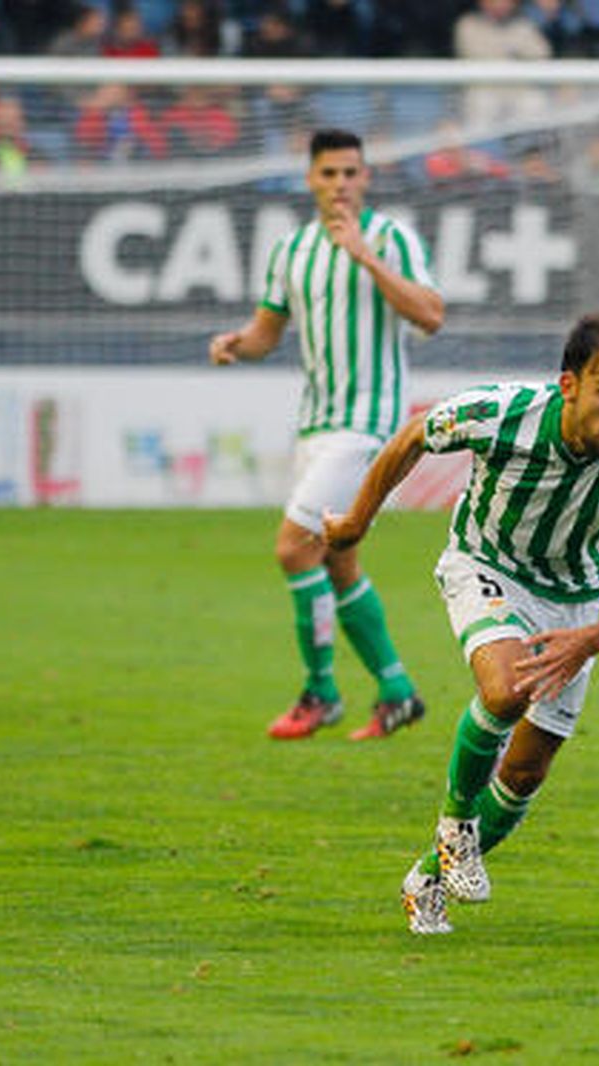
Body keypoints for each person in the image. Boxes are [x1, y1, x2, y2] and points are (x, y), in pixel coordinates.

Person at [322, 313, 599, 934]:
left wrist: (588, 639)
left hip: (575, 603)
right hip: (485, 564)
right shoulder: (506, 412)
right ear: (569, 385)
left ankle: (427, 880)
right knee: (506, 690)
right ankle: (455, 826)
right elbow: (414, 435)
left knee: (525, 773)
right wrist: (357, 522)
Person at [208, 128, 445, 741]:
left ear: (366, 178)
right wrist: (237, 344)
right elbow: (266, 333)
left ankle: (321, 692)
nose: (340, 184)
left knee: (295, 548)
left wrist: (366, 257)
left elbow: (431, 315)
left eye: (350, 172)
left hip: (370, 425)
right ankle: (397, 691)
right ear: (311, 179)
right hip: (316, 425)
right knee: (338, 560)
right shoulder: (291, 250)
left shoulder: (391, 239)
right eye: (329, 173)